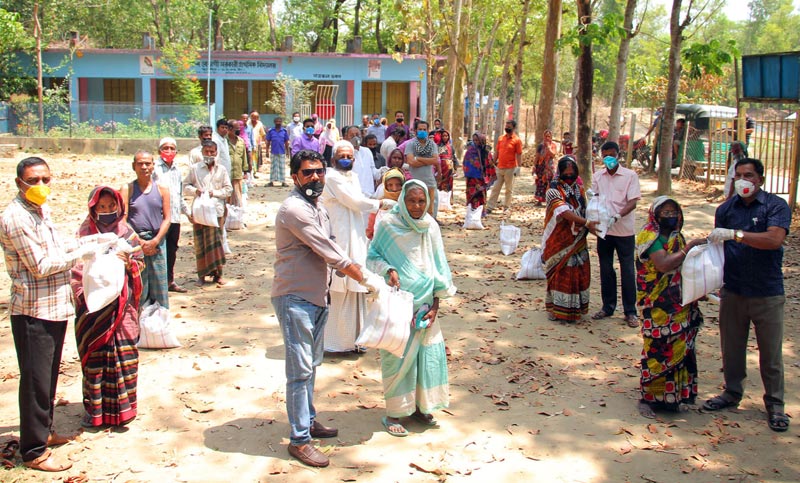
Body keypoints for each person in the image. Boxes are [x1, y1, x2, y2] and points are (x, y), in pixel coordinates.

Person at [0, 157, 110, 472]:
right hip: (33, 309)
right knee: (35, 381)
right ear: (19, 183)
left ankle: (45, 433)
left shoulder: (40, 212)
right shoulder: (16, 218)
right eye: (33, 180)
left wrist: (96, 240)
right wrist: (85, 253)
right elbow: (41, 266)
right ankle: (33, 450)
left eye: (46, 180)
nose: (41, 186)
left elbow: (59, 246)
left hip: (54, 306)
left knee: (47, 377)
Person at [272, 149, 375, 467]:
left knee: (311, 365)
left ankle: (308, 420)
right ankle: (300, 440)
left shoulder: (319, 207)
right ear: (295, 177)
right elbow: (330, 250)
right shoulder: (294, 210)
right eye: (308, 173)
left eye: (319, 171)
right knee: (299, 370)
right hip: (295, 298)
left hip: (319, 296)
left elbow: (331, 244)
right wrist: (367, 277)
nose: (315, 178)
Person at [703, 158, 791, 432]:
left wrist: (737, 235)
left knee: (771, 353)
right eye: (739, 175)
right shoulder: (726, 209)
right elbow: (718, 249)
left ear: (760, 180)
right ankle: (731, 393)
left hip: (767, 292)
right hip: (734, 290)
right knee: (732, 347)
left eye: (749, 175)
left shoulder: (775, 206)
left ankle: (775, 405)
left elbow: (774, 239)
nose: (744, 180)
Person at [367, 180, 456, 436]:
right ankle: (394, 413)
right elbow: (372, 256)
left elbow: (439, 265)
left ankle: (421, 407)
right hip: (399, 303)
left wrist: (436, 303)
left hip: (426, 305)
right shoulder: (388, 225)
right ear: (403, 200)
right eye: (411, 201)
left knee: (426, 358)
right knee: (398, 357)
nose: (416, 206)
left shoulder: (431, 226)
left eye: (421, 201)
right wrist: (389, 270)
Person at [71, 186, 143, 428]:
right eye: (101, 207)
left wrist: (129, 263)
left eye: (111, 207)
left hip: (122, 309)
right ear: (93, 209)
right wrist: (84, 292)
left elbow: (140, 262)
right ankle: (96, 411)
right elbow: (75, 268)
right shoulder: (84, 234)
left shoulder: (128, 234)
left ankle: (124, 410)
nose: (107, 211)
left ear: (119, 207)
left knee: (125, 354)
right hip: (92, 311)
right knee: (95, 360)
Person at [634, 196, 707, 419]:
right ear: (655, 214)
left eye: (672, 212)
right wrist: (690, 248)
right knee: (657, 348)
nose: (669, 216)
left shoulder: (677, 237)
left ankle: (674, 396)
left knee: (679, 347)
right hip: (657, 303)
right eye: (664, 213)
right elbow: (664, 264)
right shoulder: (650, 235)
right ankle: (649, 397)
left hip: (679, 301)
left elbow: (685, 267)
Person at [321, 140, 392, 352]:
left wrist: (376, 198)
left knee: (357, 285)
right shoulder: (332, 177)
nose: (345, 159)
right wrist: (379, 203)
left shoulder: (352, 177)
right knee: (340, 287)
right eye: (341, 156)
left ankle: (357, 339)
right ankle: (335, 343)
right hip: (340, 237)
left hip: (355, 234)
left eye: (349, 156)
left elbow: (360, 198)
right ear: (333, 159)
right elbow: (354, 201)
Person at [590, 141, 641, 327]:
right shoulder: (598, 176)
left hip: (624, 230)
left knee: (627, 270)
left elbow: (633, 201)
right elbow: (594, 198)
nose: (608, 159)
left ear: (618, 155)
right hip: (604, 230)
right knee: (606, 268)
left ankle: (630, 311)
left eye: (611, 155)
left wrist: (618, 215)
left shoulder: (630, 176)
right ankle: (608, 306)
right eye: (605, 156)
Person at [541, 157, 598, 322]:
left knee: (580, 270)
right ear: (559, 173)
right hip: (559, 239)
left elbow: (585, 209)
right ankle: (557, 310)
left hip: (578, 238)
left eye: (572, 173)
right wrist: (586, 222)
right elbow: (563, 211)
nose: (569, 176)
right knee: (561, 271)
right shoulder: (553, 190)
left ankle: (575, 309)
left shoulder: (579, 189)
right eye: (565, 173)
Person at [121, 150, 171, 309]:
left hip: (158, 242)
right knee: (139, 286)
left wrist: (155, 241)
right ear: (133, 166)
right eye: (140, 164)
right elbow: (123, 219)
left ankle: (160, 324)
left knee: (160, 286)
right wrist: (140, 242)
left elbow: (167, 218)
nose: (144, 167)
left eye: (147, 163)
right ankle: (137, 326)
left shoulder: (162, 189)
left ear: (153, 166)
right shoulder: (127, 189)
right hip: (135, 243)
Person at [183, 140, 233, 286]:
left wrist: (215, 193)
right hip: (200, 211)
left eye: (212, 152)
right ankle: (202, 275)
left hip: (217, 211)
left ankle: (218, 274)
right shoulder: (195, 169)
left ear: (216, 153)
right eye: (206, 152)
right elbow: (185, 186)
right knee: (201, 243)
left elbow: (228, 189)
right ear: (202, 152)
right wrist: (195, 191)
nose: (209, 155)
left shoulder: (221, 170)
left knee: (216, 242)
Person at [152, 137, 190, 293]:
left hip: (175, 217)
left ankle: (169, 280)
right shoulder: (154, 169)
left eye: (172, 148)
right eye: (165, 148)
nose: (168, 151)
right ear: (160, 150)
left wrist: (187, 212)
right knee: (159, 250)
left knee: (172, 250)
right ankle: (158, 282)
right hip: (160, 217)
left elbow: (178, 195)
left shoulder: (177, 170)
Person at [487, 119, 523, 214]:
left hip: (510, 168)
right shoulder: (500, 138)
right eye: (506, 126)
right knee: (495, 188)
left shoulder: (517, 140)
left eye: (509, 126)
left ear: (513, 127)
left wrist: (519, 167)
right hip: (499, 167)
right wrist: (493, 161)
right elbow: (497, 152)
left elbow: (519, 154)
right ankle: (490, 207)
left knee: (508, 189)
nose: (507, 127)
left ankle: (507, 207)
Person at [404, 120, 439, 216]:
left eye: (424, 129)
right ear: (415, 131)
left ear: (428, 131)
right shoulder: (410, 144)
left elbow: (435, 160)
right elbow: (411, 162)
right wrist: (428, 160)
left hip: (430, 182)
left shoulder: (432, 145)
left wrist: (418, 158)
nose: (422, 131)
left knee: (431, 208)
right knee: (415, 208)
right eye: (420, 129)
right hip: (414, 182)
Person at [343, 125, 382, 199]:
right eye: (352, 136)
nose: (355, 137)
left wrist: (382, 172)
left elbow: (373, 172)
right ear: (346, 137)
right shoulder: (345, 154)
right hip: (353, 196)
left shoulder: (367, 151)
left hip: (370, 195)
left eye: (357, 135)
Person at [367, 168, 405, 240]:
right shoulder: (380, 205)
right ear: (385, 186)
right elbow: (370, 232)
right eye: (390, 185)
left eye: (398, 185)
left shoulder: (407, 205)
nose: (394, 189)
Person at [463, 132, 494, 212]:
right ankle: (472, 211)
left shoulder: (486, 151)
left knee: (481, 195)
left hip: (481, 178)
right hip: (471, 178)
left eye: (477, 140)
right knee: (472, 194)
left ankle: (481, 212)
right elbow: (465, 163)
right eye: (474, 140)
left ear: (482, 140)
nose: (475, 142)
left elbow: (490, 164)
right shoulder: (470, 151)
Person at [227, 120, 250, 204]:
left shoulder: (241, 141)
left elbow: (244, 156)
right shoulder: (224, 141)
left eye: (239, 128)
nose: (238, 130)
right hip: (227, 174)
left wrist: (246, 171)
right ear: (229, 128)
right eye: (236, 129)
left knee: (237, 196)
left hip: (238, 174)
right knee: (227, 197)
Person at [533, 129, 558, 205]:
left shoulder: (553, 145)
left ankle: (549, 200)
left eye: (549, 136)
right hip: (541, 166)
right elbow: (537, 157)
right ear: (543, 136)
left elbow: (553, 155)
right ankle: (540, 200)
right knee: (540, 182)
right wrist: (534, 166)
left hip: (550, 166)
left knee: (550, 182)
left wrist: (548, 148)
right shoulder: (540, 146)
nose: (547, 138)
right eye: (546, 136)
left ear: (551, 137)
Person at [265, 116, 291, 187]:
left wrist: (287, 151)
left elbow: (286, 142)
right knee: (273, 167)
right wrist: (267, 151)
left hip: (282, 151)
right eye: (277, 121)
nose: (278, 123)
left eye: (279, 121)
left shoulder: (284, 131)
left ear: (281, 122)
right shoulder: (271, 131)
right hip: (273, 151)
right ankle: (271, 181)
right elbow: (268, 141)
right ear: (274, 122)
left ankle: (283, 181)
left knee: (282, 167)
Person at [435, 129, 456, 194]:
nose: (445, 137)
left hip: (449, 169)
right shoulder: (438, 146)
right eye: (443, 136)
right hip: (441, 169)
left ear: (448, 137)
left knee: (449, 184)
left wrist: (455, 168)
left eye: (446, 136)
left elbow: (454, 157)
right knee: (440, 184)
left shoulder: (451, 146)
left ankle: (449, 199)